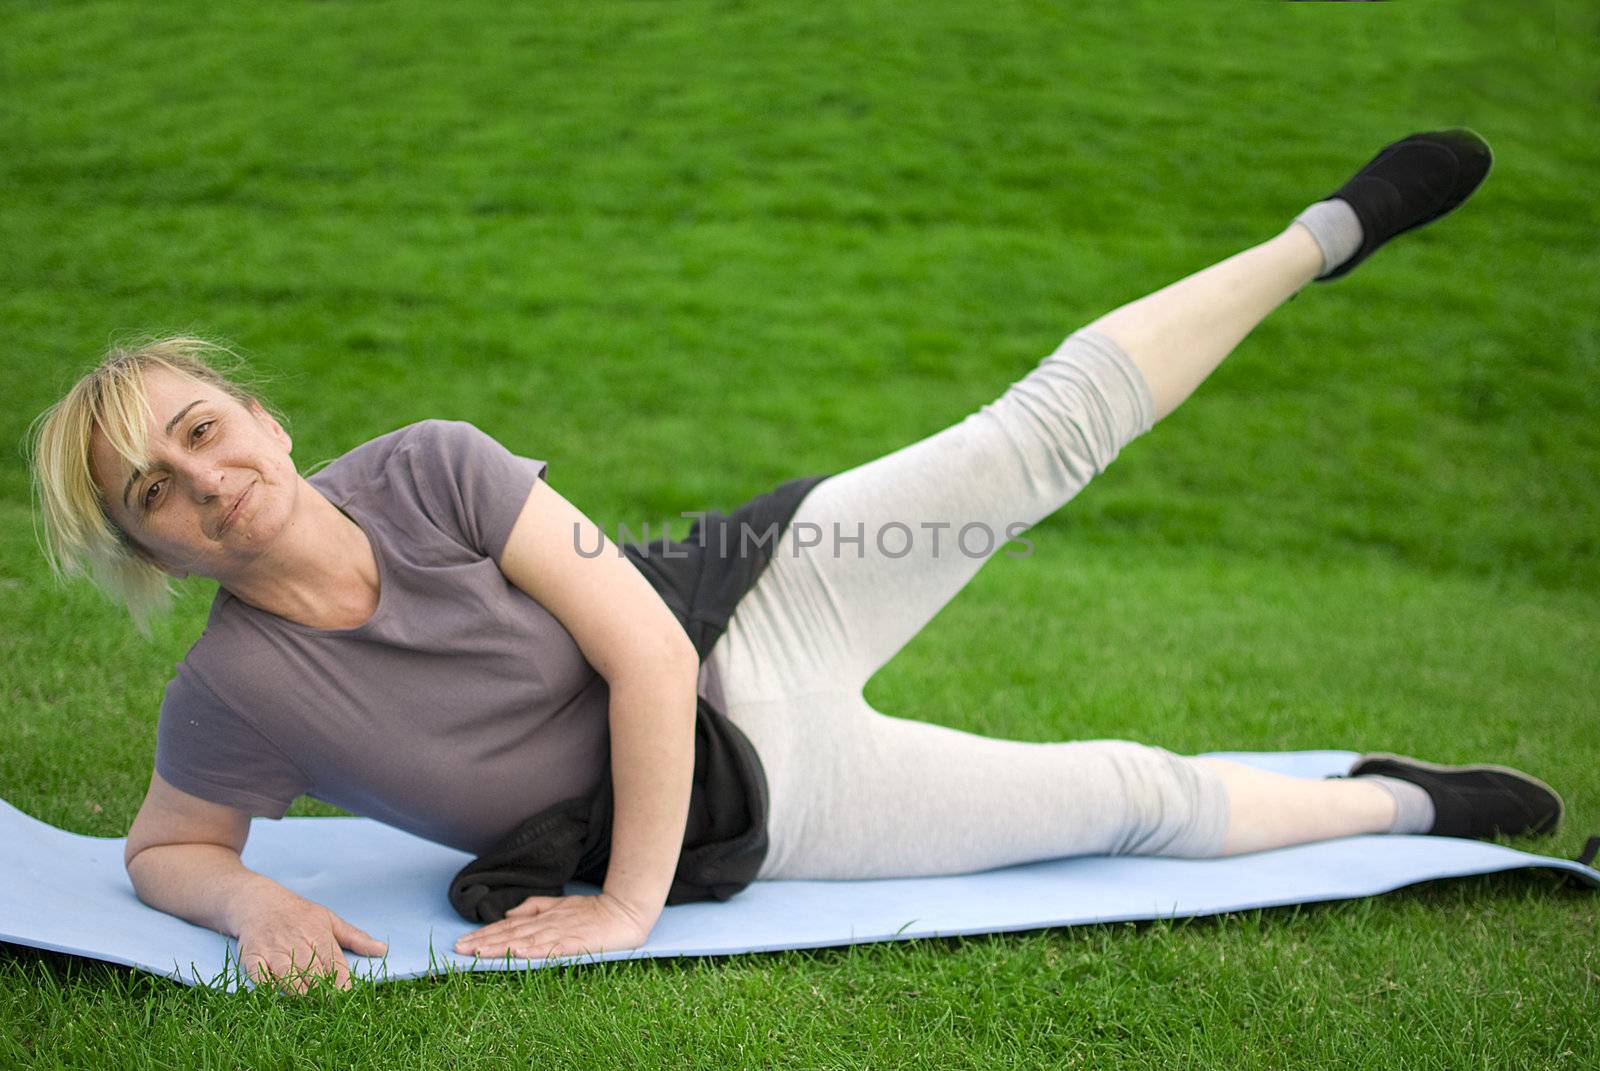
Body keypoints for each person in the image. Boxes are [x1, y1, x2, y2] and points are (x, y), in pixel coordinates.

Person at [26, 128, 1563, 995]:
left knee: (1026, 441)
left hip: (739, 606)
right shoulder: (235, 694)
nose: (207, 482)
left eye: (207, 429)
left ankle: (1326, 232)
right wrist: (248, 908)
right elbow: (167, 848)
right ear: (150, 548)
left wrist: (623, 911)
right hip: (758, 801)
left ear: (265, 418)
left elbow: (637, 648)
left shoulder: (430, 463)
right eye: (156, 492)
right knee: (1124, 799)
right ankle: (1408, 799)